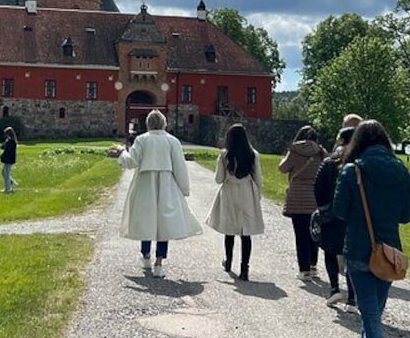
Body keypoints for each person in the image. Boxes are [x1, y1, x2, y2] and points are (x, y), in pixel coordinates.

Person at [333, 120, 410, 338]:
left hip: (359, 249)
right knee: (373, 315)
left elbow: (340, 211)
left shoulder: (353, 171)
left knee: (370, 318)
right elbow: (407, 215)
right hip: (388, 254)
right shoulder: (401, 170)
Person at [118, 109, 202, 278]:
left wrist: (122, 153)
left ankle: (146, 254)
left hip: (145, 183)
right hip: (166, 184)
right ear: (165, 124)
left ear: (148, 124)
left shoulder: (141, 140)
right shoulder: (172, 141)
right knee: (164, 222)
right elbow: (180, 166)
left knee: (146, 217)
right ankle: (159, 262)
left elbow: (132, 162)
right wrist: (184, 188)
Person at [205, 123, 265, 281]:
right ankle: (244, 268)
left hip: (230, 191)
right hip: (246, 191)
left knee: (230, 229)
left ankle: (229, 261)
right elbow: (258, 176)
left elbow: (218, 179)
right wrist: (258, 194)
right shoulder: (253, 154)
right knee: (245, 232)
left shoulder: (225, 155)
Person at [313, 126, 357, 310]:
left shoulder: (330, 161)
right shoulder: (359, 163)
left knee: (330, 251)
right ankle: (352, 299)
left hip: (331, 215)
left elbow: (317, 186)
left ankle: (334, 289)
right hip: (352, 216)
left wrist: (323, 207)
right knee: (350, 256)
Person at [279, 125, 326, 279]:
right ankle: (313, 265)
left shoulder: (295, 151)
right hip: (315, 196)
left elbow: (283, 168)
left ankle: (304, 269)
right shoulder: (321, 152)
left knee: (301, 235)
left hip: (298, 196)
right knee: (314, 232)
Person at [0, 127, 18, 193]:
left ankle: (7, 188)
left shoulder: (11, 141)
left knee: (6, 173)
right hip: (9, 159)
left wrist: (3, 148)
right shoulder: (10, 141)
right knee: (4, 173)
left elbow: (8, 150)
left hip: (9, 159)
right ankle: (12, 183)